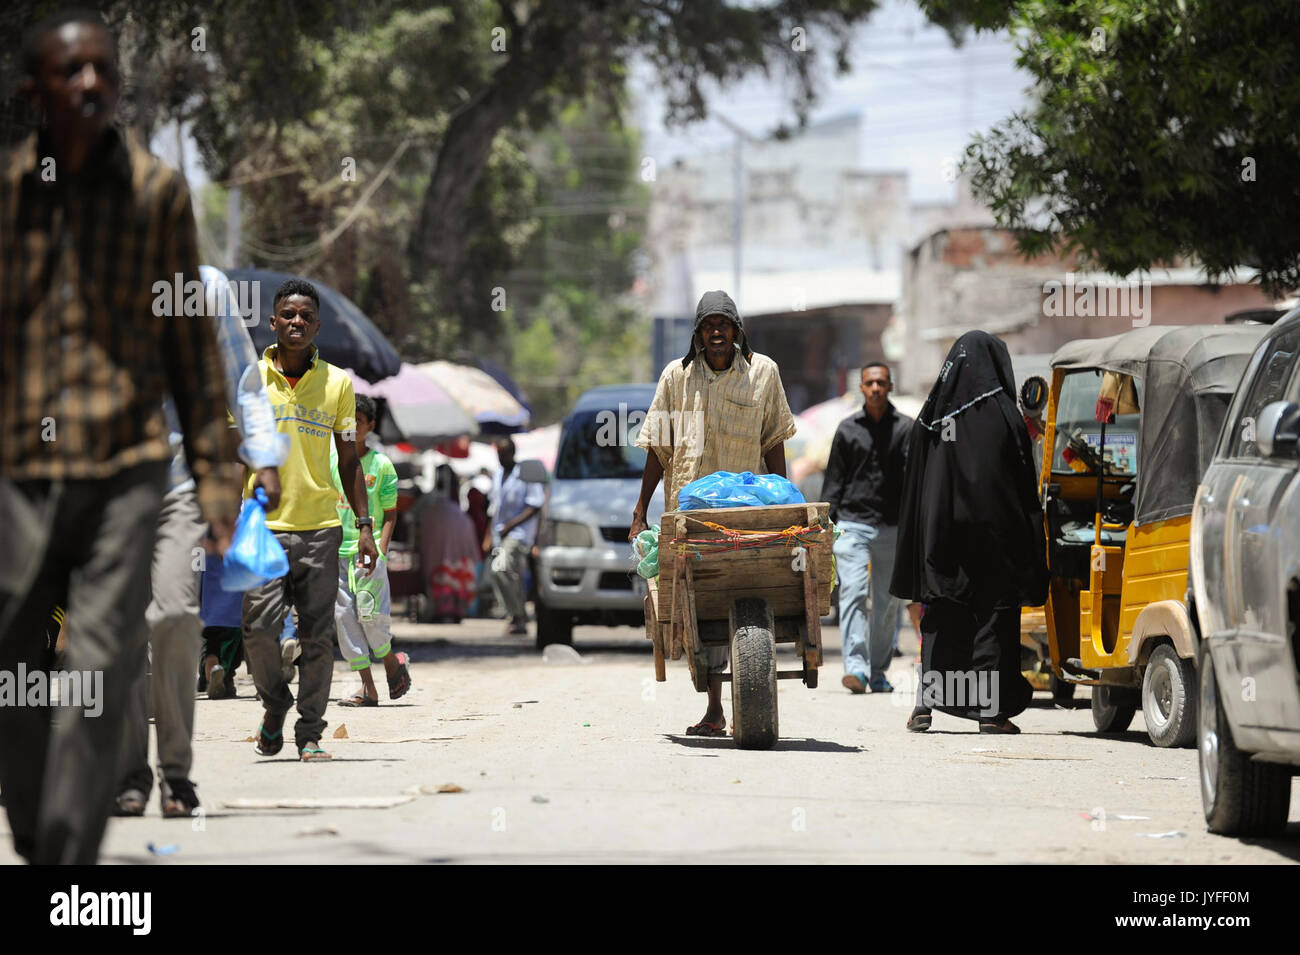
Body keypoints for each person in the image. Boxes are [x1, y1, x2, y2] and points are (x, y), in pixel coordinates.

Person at [0, 11, 239, 863]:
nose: (92, 85)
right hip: (20, 472)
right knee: (19, 669)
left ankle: (67, 857)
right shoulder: (7, 196)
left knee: (101, 662)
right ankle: (40, 832)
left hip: (127, 466)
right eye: (73, 72)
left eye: (103, 70)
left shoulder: (156, 193)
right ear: (35, 90)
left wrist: (217, 475)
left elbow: (191, 349)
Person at [115, 266, 285, 819]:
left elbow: (247, 384)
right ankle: (128, 773)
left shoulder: (205, 287)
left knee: (173, 614)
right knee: (114, 630)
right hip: (101, 487)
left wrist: (263, 458)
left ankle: (176, 773)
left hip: (177, 483)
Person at [631, 290, 796, 737]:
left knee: (740, 592)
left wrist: (785, 504)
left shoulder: (764, 373)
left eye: (724, 323)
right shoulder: (675, 378)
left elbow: (774, 441)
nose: (717, 331)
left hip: (748, 514)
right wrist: (640, 508)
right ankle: (714, 704)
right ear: (698, 334)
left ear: (737, 330)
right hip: (689, 514)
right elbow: (658, 448)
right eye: (709, 325)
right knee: (696, 604)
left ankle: (731, 695)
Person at [241, 279, 379, 761]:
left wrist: (365, 526)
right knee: (258, 630)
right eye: (287, 315)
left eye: (305, 316)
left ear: (316, 326)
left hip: (321, 530)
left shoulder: (339, 384)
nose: (296, 322)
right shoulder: (251, 380)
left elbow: (348, 461)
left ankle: (310, 733)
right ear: (273, 322)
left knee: (317, 638)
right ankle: (275, 705)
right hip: (262, 529)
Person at [890, 331, 1048, 734]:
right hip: (997, 540)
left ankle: (925, 706)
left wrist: (922, 539)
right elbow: (1022, 483)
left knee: (942, 615)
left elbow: (915, 486)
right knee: (993, 618)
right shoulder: (1006, 416)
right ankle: (991, 714)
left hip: (942, 540)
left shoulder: (931, 418)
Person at [822, 363, 913, 694]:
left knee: (888, 603)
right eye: (869, 383)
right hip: (852, 526)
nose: (875, 388)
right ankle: (857, 670)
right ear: (861, 388)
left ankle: (878, 671)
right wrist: (824, 524)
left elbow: (915, 483)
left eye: (881, 383)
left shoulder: (906, 429)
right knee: (854, 594)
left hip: (893, 528)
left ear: (890, 386)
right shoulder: (847, 430)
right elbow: (833, 482)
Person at [333, 394, 410, 706]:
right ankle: (367, 686)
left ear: (371, 426)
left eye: (358, 422)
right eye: (347, 421)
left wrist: (381, 547)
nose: (352, 427)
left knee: (369, 613)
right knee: (342, 616)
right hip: (337, 550)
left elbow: (390, 513)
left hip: (369, 552)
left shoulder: (382, 465)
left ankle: (390, 661)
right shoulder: (331, 459)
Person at [486, 437, 544, 636]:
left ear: (512, 453)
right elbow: (494, 509)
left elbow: (535, 505)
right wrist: (489, 535)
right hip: (500, 534)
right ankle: (518, 618)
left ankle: (517, 613)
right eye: (498, 455)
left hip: (519, 534)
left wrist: (511, 525)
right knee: (512, 576)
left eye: (504, 454)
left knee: (499, 569)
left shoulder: (525, 474)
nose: (501, 458)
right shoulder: (498, 475)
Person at [418, 464, 481, 621]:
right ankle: (451, 610)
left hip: (439, 551)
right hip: (450, 552)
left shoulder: (431, 507)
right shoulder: (458, 513)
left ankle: (445, 610)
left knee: (444, 576)